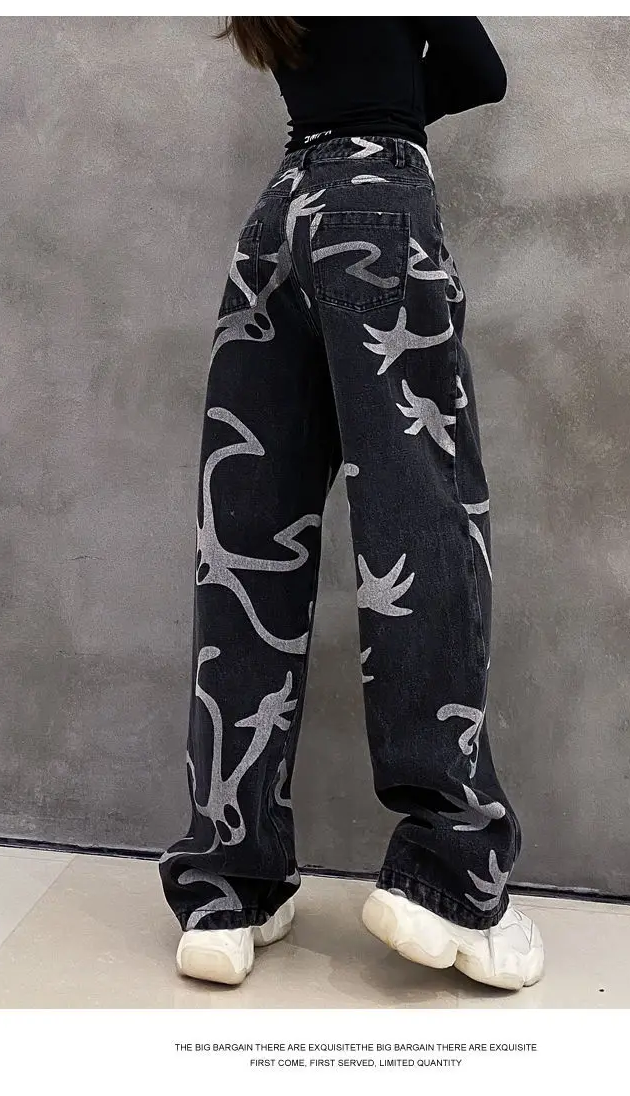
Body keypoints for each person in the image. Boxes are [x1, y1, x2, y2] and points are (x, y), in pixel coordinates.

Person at [159, 15, 544, 991]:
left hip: (272, 228)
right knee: (423, 521)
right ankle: (449, 871)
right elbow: (480, 70)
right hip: (378, 208)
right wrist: (394, 113)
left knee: (248, 547)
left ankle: (228, 886)